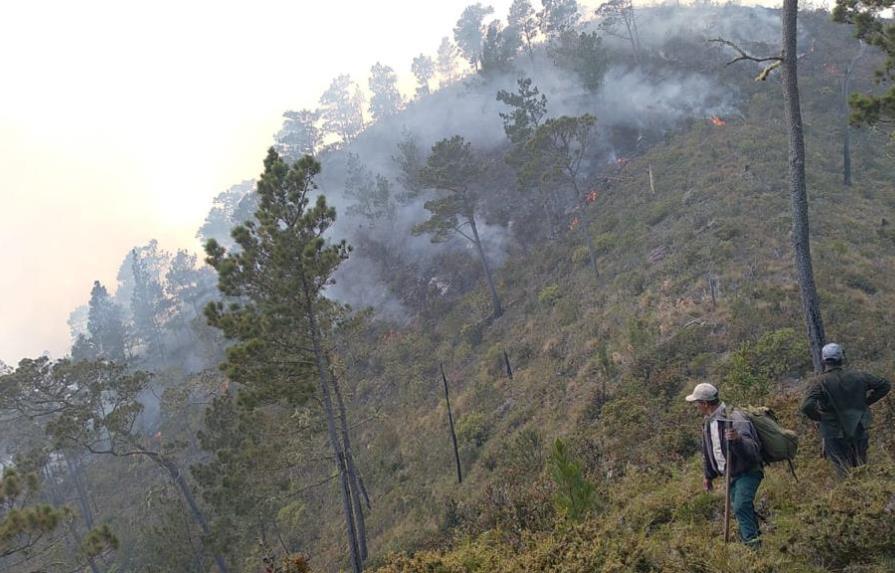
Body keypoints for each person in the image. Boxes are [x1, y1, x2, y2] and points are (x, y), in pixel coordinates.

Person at [686, 382, 763, 547]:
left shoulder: (734, 418)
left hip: (748, 472)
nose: (696, 407)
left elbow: (753, 451)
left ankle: (753, 549)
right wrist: (708, 476)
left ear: (705, 404)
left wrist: (738, 440)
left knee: (741, 507)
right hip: (731, 476)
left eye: (697, 403)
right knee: (742, 509)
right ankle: (755, 543)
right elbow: (709, 451)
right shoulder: (708, 423)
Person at [801, 343, 891, 477]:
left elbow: (806, 406)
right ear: (841, 358)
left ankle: (848, 493)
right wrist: (865, 403)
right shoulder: (860, 376)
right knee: (861, 466)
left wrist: (821, 417)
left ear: (824, 360)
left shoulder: (819, 382)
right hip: (858, 428)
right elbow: (885, 385)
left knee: (842, 468)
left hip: (834, 431)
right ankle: (864, 493)